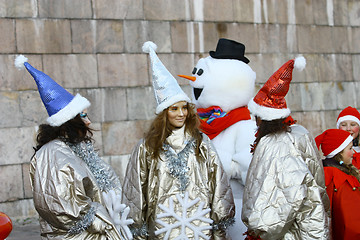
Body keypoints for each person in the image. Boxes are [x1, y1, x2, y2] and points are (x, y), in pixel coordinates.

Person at [122, 42, 235, 240]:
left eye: (184, 108)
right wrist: (137, 228)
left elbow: (218, 182)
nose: (181, 113)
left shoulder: (202, 142)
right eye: (174, 109)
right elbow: (135, 189)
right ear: (164, 113)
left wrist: (220, 223)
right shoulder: (147, 146)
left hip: (200, 227)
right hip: (162, 228)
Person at [15, 55, 132, 239]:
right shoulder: (53, 152)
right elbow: (57, 202)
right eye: (83, 116)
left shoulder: (78, 148)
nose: (89, 122)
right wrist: (94, 220)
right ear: (70, 122)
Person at [242, 56, 330, 239]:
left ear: (262, 117)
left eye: (255, 116)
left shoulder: (274, 143)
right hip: (312, 220)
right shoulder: (301, 133)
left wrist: (260, 230)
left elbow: (290, 192)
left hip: (290, 231)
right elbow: (317, 180)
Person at [315, 129, 360, 239]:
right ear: (338, 153)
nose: (353, 152)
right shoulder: (340, 179)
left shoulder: (325, 172)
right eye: (350, 148)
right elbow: (352, 224)